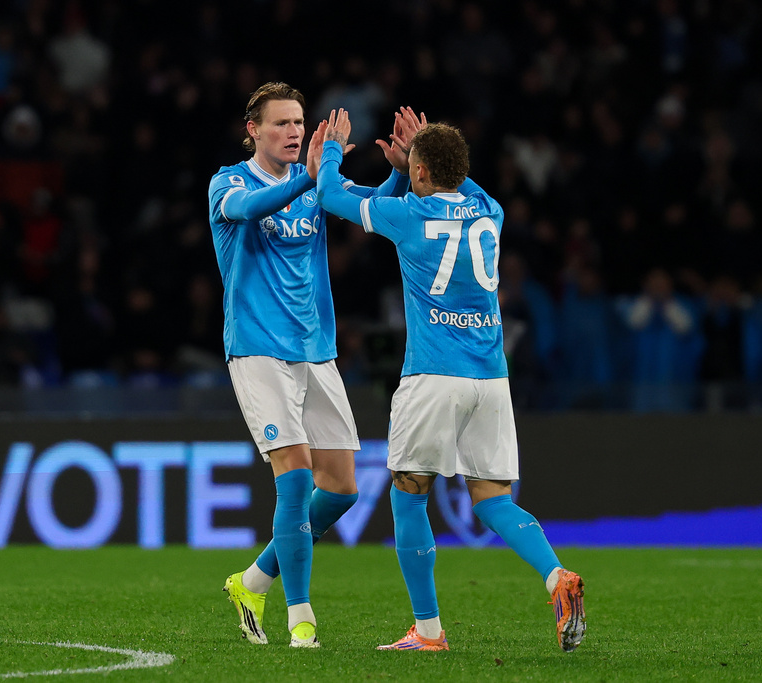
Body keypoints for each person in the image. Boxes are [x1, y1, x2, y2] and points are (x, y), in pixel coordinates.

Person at [316, 108, 586, 653]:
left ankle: (429, 631)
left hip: (433, 376)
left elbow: (328, 194)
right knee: (492, 499)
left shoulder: (406, 215)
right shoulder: (491, 210)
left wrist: (331, 150)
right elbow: (456, 179)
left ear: (419, 172)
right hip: (491, 377)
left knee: (409, 496)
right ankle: (556, 576)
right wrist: (419, 156)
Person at [208, 83, 418, 648]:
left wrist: (399, 173)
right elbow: (250, 210)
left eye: (299, 122)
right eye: (280, 123)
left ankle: (252, 582)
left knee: (342, 488)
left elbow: (370, 205)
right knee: (297, 476)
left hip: (315, 349)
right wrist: (314, 173)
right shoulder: (229, 182)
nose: (294, 131)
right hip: (257, 348)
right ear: (253, 130)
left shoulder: (313, 183)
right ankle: (301, 620)